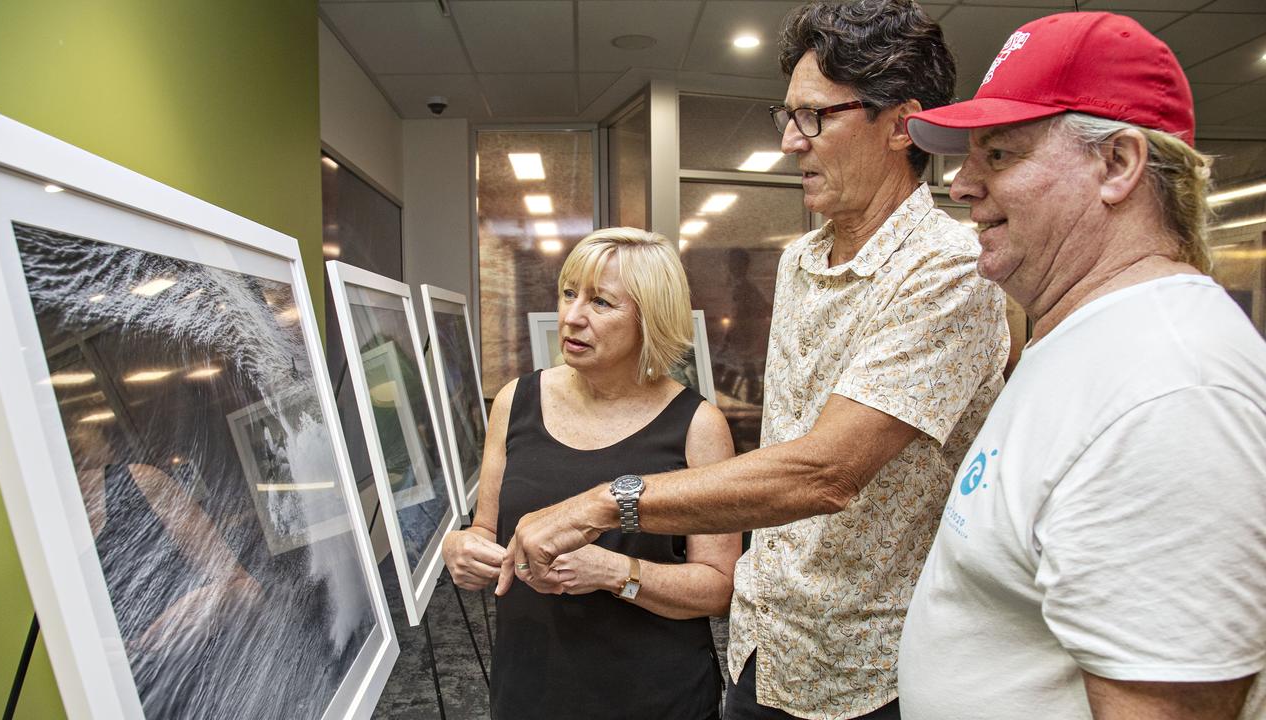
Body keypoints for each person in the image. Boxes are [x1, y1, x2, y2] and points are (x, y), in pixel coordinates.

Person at [496, 2, 1011, 718]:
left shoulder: (948, 271)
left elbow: (827, 472)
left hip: (870, 674)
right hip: (764, 649)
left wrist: (600, 505)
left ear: (901, 123)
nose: (792, 144)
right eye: (787, 118)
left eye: (816, 118)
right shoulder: (801, 259)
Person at [898, 11, 1266, 719]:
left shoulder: (1172, 393)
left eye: (1000, 155)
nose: (962, 185)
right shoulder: (1087, 340)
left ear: (1118, 165)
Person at [441, 227, 740, 720]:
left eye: (601, 302)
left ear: (650, 318)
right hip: (529, 690)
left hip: (654, 699)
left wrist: (614, 574)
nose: (573, 317)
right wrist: (462, 547)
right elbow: (485, 529)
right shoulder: (517, 401)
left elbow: (717, 587)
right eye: (568, 294)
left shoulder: (698, 426)